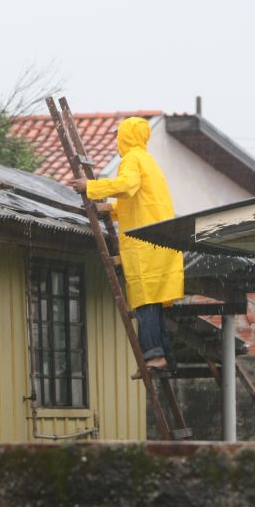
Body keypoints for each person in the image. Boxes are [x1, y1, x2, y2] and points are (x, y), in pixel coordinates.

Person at [72, 116, 184, 377]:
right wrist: (108, 209)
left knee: (145, 304)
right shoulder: (149, 161)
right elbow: (135, 203)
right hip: (160, 243)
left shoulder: (132, 159)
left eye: (117, 134)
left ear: (126, 135)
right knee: (153, 304)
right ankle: (165, 361)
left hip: (146, 246)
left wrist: (91, 187)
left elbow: (127, 186)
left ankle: (154, 357)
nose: (115, 139)